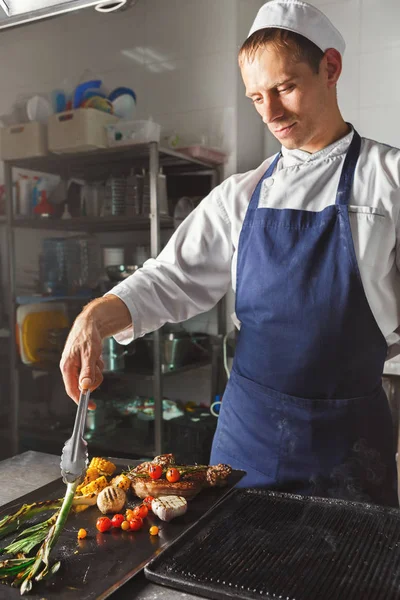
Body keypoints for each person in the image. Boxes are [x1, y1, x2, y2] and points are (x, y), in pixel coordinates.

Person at [61, 0, 400, 507]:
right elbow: (171, 277)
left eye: (285, 88)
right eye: (256, 97)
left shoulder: (389, 182)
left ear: (331, 67)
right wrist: (94, 317)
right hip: (249, 440)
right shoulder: (240, 194)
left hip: (351, 446)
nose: (271, 113)